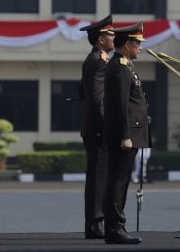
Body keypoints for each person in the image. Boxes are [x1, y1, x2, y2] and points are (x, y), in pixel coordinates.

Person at [102, 21, 150, 245]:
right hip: (124, 135)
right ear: (127, 44)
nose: (141, 47)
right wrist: (125, 135)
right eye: (137, 43)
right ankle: (115, 229)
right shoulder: (121, 67)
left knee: (119, 181)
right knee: (118, 182)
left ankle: (115, 227)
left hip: (128, 133)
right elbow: (120, 105)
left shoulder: (125, 65)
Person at [78, 15, 114, 240]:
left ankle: (95, 224)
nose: (114, 38)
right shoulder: (100, 61)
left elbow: (83, 91)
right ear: (101, 40)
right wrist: (107, 125)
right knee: (99, 179)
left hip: (94, 128)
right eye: (110, 35)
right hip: (99, 129)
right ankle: (95, 225)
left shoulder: (93, 59)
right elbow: (96, 98)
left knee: (97, 178)